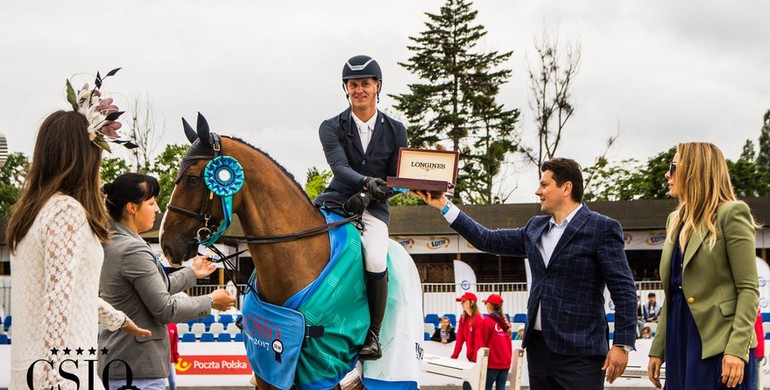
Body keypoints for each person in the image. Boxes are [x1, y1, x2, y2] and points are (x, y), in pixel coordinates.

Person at [416, 157, 638, 389]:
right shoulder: (535, 227)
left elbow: (624, 290)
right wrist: (444, 204)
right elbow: (486, 239)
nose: (537, 191)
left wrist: (622, 343)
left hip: (581, 352)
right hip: (539, 350)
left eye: (544, 185)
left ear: (566, 188)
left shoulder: (602, 228)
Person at [6, 91, 150, 389]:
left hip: (31, 370)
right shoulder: (65, 211)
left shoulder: (33, 213)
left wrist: (119, 320)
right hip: (62, 374)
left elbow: (68, 291)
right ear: (85, 156)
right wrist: (52, 379)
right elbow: (58, 300)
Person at [98, 173, 236, 390]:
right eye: (151, 203)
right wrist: (210, 301)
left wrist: (191, 273)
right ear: (132, 208)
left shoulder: (113, 242)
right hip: (138, 368)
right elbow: (164, 309)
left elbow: (155, 289)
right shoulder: (133, 249)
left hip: (122, 364)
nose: (157, 209)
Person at [315, 55, 408, 360]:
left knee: (376, 258)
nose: (359, 90)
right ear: (346, 89)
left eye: (365, 84)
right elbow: (340, 167)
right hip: (338, 201)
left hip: (375, 210)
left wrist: (371, 195)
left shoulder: (396, 130)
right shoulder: (330, 126)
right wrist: (368, 183)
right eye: (353, 85)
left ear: (377, 86)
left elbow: (397, 179)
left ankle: (373, 335)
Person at [647, 142, 760, 390]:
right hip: (679, 339)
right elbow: (674, 292)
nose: (667, 174)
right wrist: (658, 348)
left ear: (694, 170)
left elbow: (749, 290)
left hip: (718, 344)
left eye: (673, 167)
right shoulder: (674, 221)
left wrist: (736, 349)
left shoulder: (731, 213)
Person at [477, 294, 513, 390]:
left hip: (492, 363)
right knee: (501, 388)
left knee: (486, 387)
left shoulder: (487, 322)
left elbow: (482, 345)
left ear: (489, 305)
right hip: (505, 362)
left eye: (486, 304)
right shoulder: (506, 322)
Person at [451, 292, 483, 362]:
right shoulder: (463, 319)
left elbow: (479, 342)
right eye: (461, 302)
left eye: (464, 301)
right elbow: (459, 339)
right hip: (471, 357)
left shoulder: (479, 320)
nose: (461, 303)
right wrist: (454, 356)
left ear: (471, 302)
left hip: (477, 358)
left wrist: (475, 359)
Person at [752, 309, 764, 390]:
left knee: (753, 383)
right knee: (754, 382)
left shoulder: (750, 310)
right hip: (759, 350)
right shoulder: (756, 309)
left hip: (754, 351)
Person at [167, 323, 179, 390]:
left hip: (170, 359)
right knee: (159, 384)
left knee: (173, 383)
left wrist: (175, 356)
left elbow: (175, 343)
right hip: (159, 359)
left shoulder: (173, 326)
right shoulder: (157, 323)